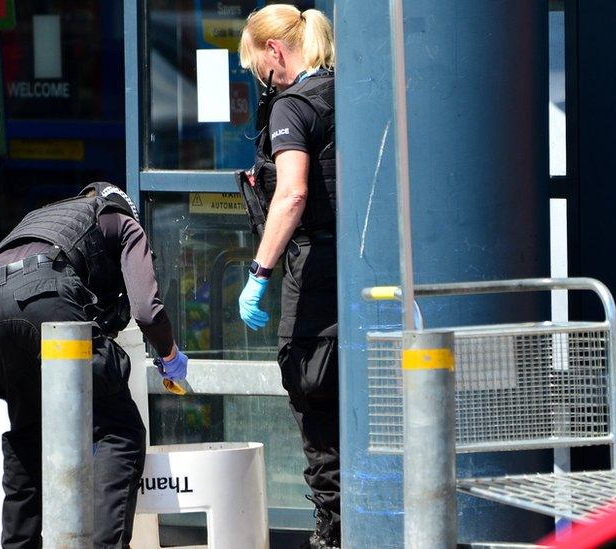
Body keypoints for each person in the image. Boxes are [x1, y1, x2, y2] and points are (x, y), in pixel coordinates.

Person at [0, 182, 188, 549]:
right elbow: (147, 311)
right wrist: (169, 354)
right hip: (45, 302)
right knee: (119, 430)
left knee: (28, 435)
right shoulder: (123, 221)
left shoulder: (42, 217)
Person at [236, 6, 340, 549]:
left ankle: (334, 529)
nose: (261, 78)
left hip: (317, 269)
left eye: (258, 66)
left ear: (276, 50)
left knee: (311, 386)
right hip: (358, 266)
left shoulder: (292, 106)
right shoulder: (345, 91)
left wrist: (259, 271)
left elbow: (293, 191)